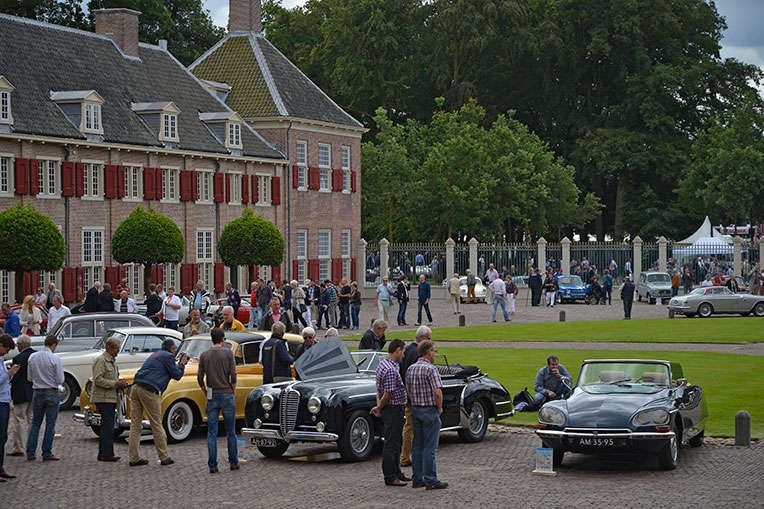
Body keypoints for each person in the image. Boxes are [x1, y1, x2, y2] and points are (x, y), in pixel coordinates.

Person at [128, 338, 188, 467]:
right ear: (172, 349)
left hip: (135, 387)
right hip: (149, 390)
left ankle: (134, 457)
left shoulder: (155, 354)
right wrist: (182, 364)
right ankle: (164, 456)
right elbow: (177, 375)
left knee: (135, 424)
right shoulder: (168, 356)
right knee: (156, 424)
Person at [406, 340, 447, 490]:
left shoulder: (410, 369)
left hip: (416, 409)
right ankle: (431, 479)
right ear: (428, 352)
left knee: (417, 445)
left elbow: (408, 390)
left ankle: (417, 478)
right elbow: (437, 391)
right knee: (430, 447)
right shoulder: (431, 369)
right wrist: (440, 407)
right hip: (429, 409)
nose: (435, 354)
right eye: (434, 351)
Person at [198, 327, 239, 473]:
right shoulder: (228, 353)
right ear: (222, 339)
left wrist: (205, 392)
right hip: (227, 393)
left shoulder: (204, 355)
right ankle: (233, 462)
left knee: (212, 432)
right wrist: (232, 390)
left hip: (212, 394)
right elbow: (233, 375)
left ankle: (213, 465)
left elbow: (199, 378)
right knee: (230, 431)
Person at [370, 339, 410, 486]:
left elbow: (379, 391)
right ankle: (390, 476)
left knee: (395, 442)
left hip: (391, 408)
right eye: (403, 352)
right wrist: (379, 408)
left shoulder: (383, 365)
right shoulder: (391, 370)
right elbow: (387, 393)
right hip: (393, 409)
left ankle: (397, 472)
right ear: (398, 350)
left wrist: (379, 406)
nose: (404, 355)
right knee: (391, 444)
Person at [25, 334, 63, 461]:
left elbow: (29, 378)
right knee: (50, 424)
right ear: (53, 345)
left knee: (36, 423)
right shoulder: (55, 358)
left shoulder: (33, 357)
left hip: (37, 391)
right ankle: (46, 452)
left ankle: (30, 452)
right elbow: (60, 379)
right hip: (51, 391)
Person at [91, 336, 129, 462]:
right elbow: (97, 380)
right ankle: (107, 454)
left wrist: (119, 382)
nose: (118, 351)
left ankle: (103, 453)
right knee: (108, 427)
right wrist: (115, 384)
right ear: (109, 348)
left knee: (107, 426)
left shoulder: (112, 360)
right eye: (116, 348)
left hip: (110, 397)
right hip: (103, 398)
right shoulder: (101, 360)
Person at [399, 326, 431, 468]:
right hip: (416, 396)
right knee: (412, 427)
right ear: (422, 338)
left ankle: (407, 456)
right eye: (429, 339)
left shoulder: (406, 349)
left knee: (410, 426)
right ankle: (406, 456)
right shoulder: (417, 353)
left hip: (407, 394)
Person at [8, 335, 34, 457]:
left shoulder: (18, 358)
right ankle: (31, 445)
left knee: (19, 420)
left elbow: (16, 377)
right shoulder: (36, 355)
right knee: (31, 420)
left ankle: (19, 447)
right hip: (33, 391)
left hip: (21, 392)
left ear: (21, 345)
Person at [0, 334, 20, 479]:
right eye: (7, 349)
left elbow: (5, 380)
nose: (7, 353)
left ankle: (0, 468)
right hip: (0, 401)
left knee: (3, 436)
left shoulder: (1, 360)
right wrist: (9, 373)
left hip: (5, 400)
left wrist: (11, 373)